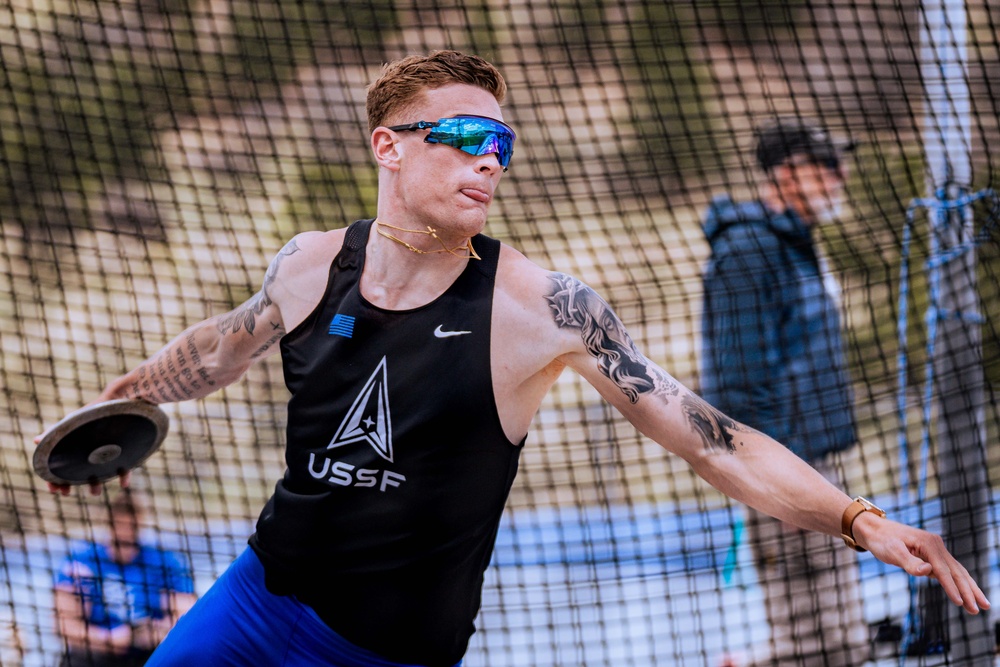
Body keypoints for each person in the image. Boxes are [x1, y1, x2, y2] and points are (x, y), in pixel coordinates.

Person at [40, 51, 987, 667]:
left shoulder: (544, 307)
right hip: (257, 596)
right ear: (390, 147)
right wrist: (129, 405)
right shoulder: (309, 261)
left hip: (389, 649)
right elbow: (225, 342)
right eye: (464, 139)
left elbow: (718, 443)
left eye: (503, 144)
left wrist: (860, 518)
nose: (490, 160)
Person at [700, 117, 868, 666]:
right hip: (783, 464)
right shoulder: (750, 248)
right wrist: (770, 470)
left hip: (815, 461)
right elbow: (740, 374)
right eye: (828, 166)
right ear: (789, 174)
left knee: (841, 630)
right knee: (808, 634)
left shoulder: (796, 244)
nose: (840, 176)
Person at [52, 489, 197, 667]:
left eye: (132, 527)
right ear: (109, 522)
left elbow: (188, 616)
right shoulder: (82, 562)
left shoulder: (163, 562)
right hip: (98, 655)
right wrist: (109, 640)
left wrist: (154, 631)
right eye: (119, 525)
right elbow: (65, 626)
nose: (125, 533)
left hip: (148, 653)